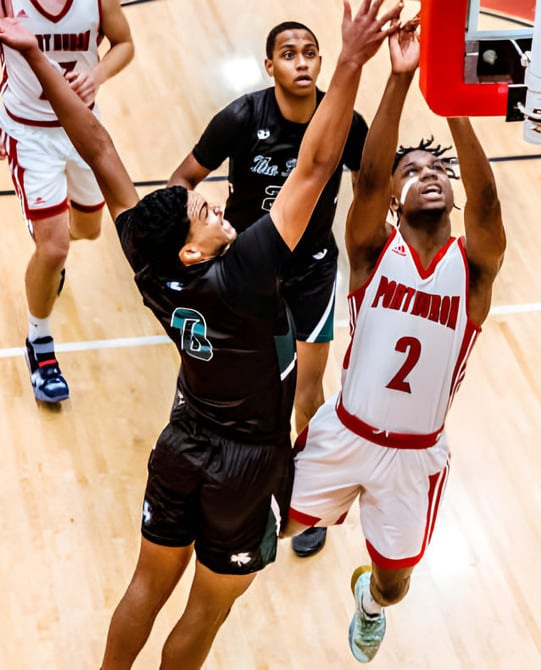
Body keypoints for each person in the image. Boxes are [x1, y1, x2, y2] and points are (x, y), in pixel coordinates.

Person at [0, 2, 401, 667]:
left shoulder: (155, 266)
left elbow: (97, 146)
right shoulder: (245, 271)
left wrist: (35, 56)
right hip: (243, 464)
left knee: (145, 586)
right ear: (194, 250)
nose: (212, 202)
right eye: (203, 211)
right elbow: (315, 165)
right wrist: (354, 62)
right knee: (206, 610)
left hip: (182, 442)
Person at [282, 21, 506, 664]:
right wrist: (401, 77)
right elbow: (369, 177)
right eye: (415, 170)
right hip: (343, 434)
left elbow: (488, 201)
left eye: (439, 170)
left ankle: (370, 604)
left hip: (413, 458)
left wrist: (454, 108)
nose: (428, 176)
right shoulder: (371, 250)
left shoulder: (476, 270)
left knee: (396, 582)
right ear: (393, 201)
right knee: (270, 533)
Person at [168, 20, 369, 559]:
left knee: (307, 393)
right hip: (248, 276)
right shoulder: (241, 116)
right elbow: (182, 178)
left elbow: (375, 182)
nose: (301, 62)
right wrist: (192, 223)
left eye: (310, 53)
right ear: (269, 66)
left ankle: (304, 503)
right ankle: (219, 485)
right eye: (288, 53)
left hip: (312, 274)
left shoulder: (344, 121)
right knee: (245, 394)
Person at [0, 0, 133, 404]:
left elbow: (125, 43)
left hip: (82, 127)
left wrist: (97, 76)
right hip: (28, 131)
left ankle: (46, 236)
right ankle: (39, 343)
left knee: (89, 230)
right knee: (54, 247)